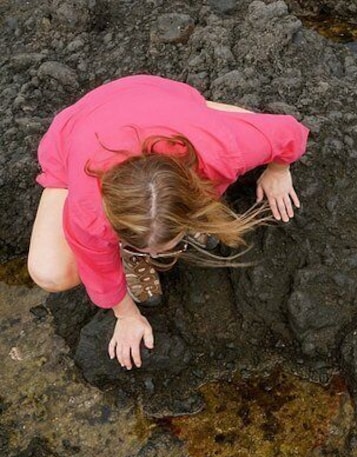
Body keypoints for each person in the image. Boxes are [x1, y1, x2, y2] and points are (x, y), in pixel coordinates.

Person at [28, 75, 309, 370]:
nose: (156, 257)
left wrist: (279, 169)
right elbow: (96, 262)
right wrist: (126, 315)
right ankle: (126, 242)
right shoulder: (90, 210)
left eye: (161, 247)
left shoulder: (221, 150)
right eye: (141, 248)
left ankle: (194, 112)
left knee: (251, 125)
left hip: (158, 97)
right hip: (79, 128)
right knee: (50, 273)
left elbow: (289, 131)